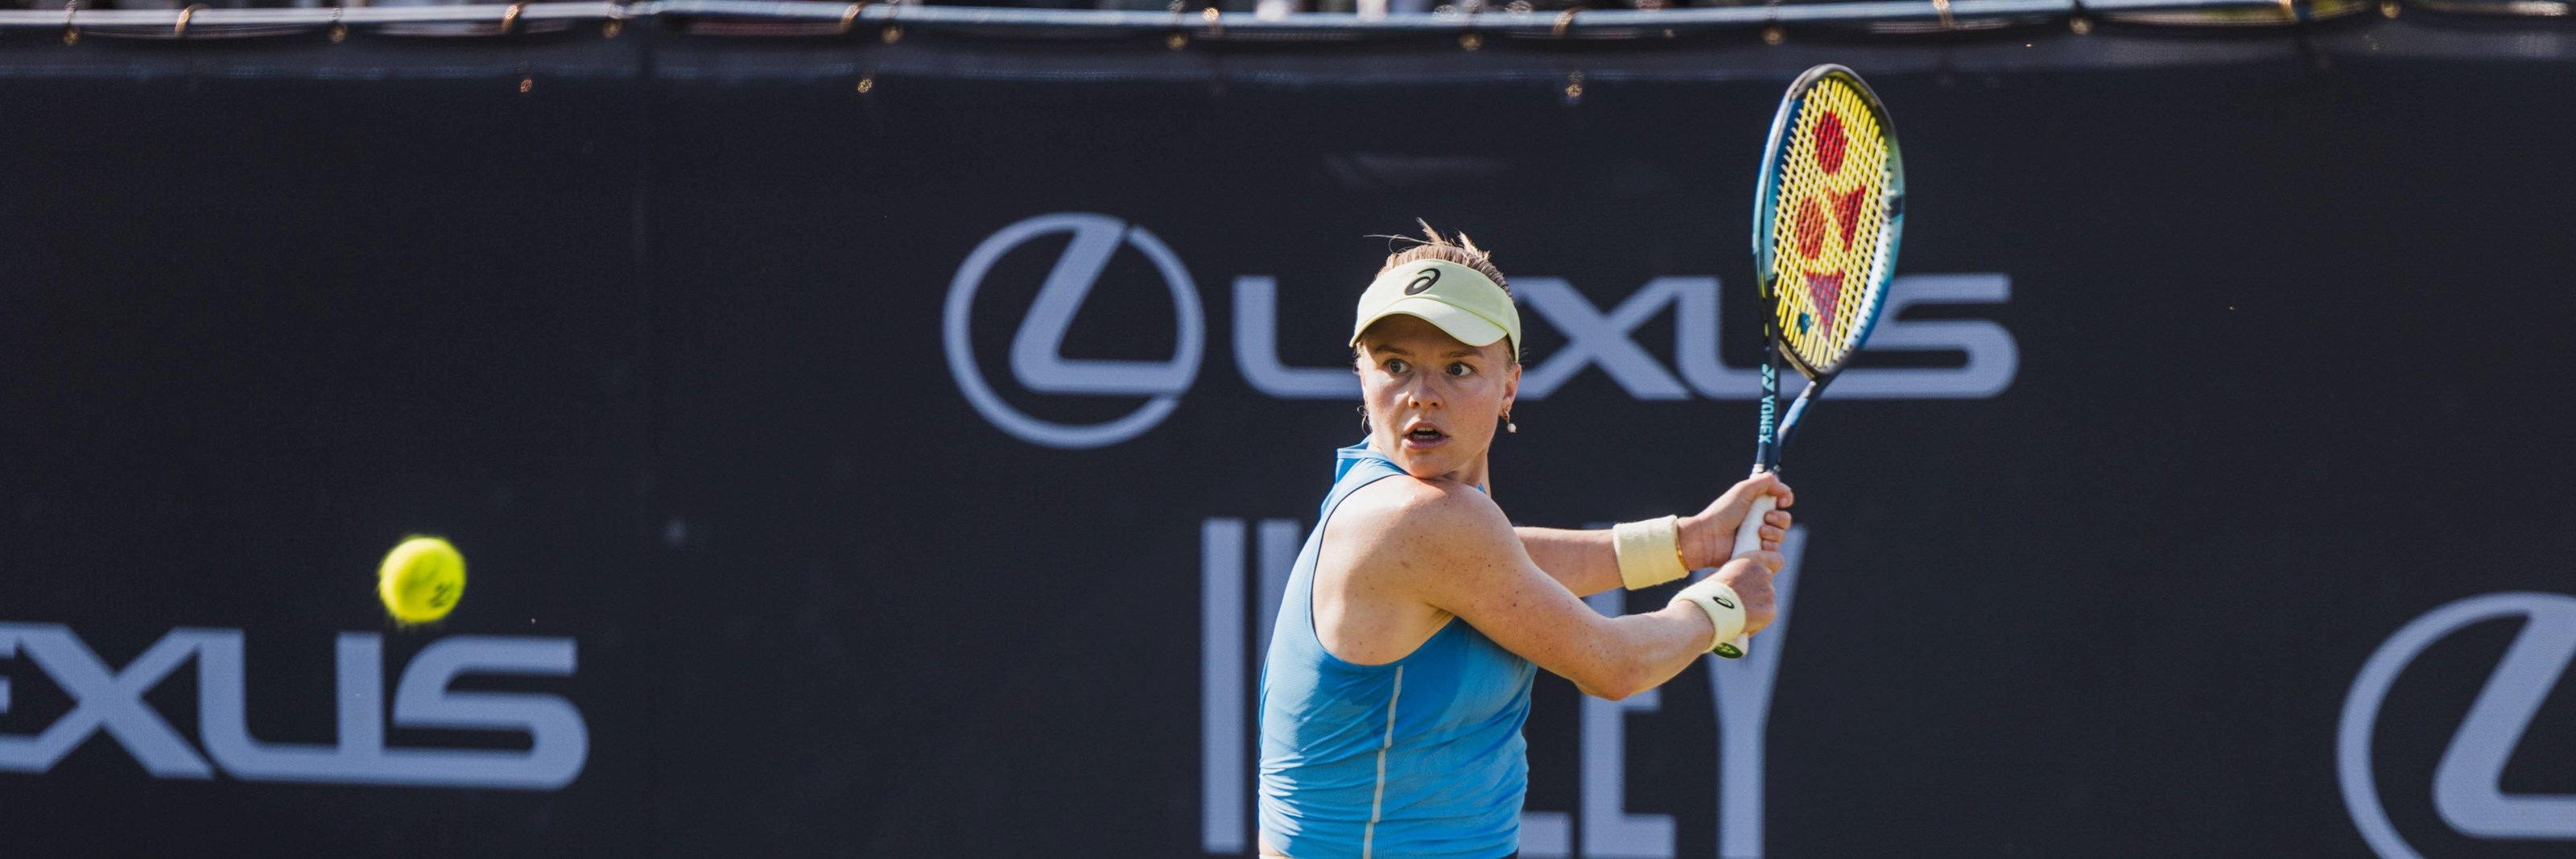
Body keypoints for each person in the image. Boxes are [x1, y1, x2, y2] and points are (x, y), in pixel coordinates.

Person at [1257, 224, 1794, 859]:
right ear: (1362, 374)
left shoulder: (1399, 504)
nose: (1422, 395)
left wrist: (1689, 541)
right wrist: (1723, 603)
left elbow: (1503, 564)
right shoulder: (1420, 517)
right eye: (1395, 365)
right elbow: (1615, 665)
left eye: (1458, 368)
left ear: (1508, 385)